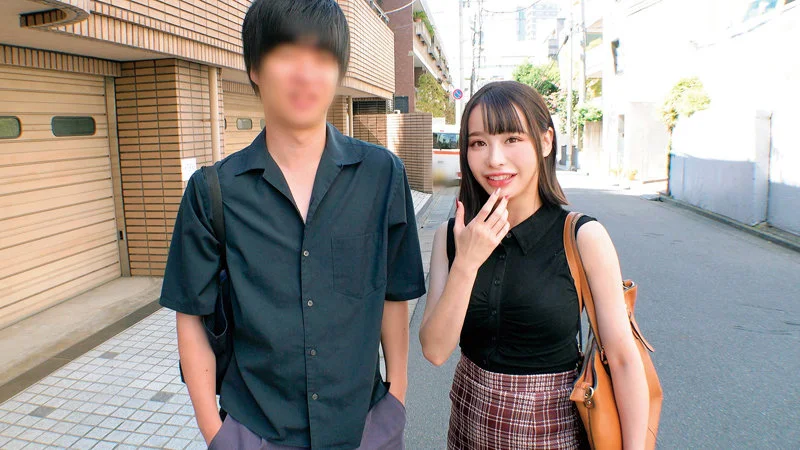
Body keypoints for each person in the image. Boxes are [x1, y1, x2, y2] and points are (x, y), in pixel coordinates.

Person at [159, 1, 425, 448]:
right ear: (255, 69)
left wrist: (394, 401)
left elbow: (394, 296)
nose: (305, 74)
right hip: (255, 431)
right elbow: (191, 315)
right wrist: (217, 435)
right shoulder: (212, 191)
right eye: (286, 54)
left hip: (364, 428)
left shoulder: (382, 176)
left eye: (321, 56)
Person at [419, 81, 649, 449]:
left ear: (545, 142)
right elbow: (434, 350)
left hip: (552, 434)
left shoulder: (582, 236)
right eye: (478, 143)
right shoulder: (453, 236)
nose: (494, 158)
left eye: (511, 138)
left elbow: (622, 359)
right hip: (467, 429)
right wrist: (467, 262)